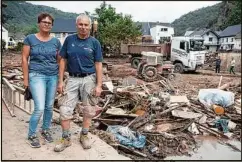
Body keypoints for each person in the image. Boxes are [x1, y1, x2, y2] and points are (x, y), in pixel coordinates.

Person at [54, 14, 103, 152]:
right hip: (72, 79)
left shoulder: (94, 43)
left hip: (89, 79)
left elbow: (98, 64)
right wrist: (60, 81)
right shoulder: (69, 40)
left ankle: (84, 136)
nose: (83, 27)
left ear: (89, 26)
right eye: (80, 24)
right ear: (76, 25)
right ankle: (66, 139)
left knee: (88, 110)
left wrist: (99, 85)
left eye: (86, 25)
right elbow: (62, 60)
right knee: (64, 108)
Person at [22, 13, 62, 148]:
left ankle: (45, 130)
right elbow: (24, 59)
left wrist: (59, 78)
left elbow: (59, 60)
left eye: (49, 23)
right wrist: (26, 80)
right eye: (44, 22)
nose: (46, 24)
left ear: (52, 26)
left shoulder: (56, 41)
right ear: (38, 23)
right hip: (36, 75)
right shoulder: (30, 39)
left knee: (49, 106)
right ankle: (32, 134)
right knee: (39, 108)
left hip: (52, 76)